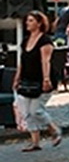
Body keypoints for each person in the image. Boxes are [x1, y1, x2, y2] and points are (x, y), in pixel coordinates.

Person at [14, 11, 62, 152]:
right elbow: (22, 61)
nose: (27, 23)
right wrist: (17, 77)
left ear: (39, 23)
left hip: (41, 79)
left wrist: (46, 79)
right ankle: (35, 142)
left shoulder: (45, 41)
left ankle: (54, 129)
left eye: (31, 20)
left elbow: (45, 60)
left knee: (36, 110)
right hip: (27, 79)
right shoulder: (26, 40)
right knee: (26, 111)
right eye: (27, 20)